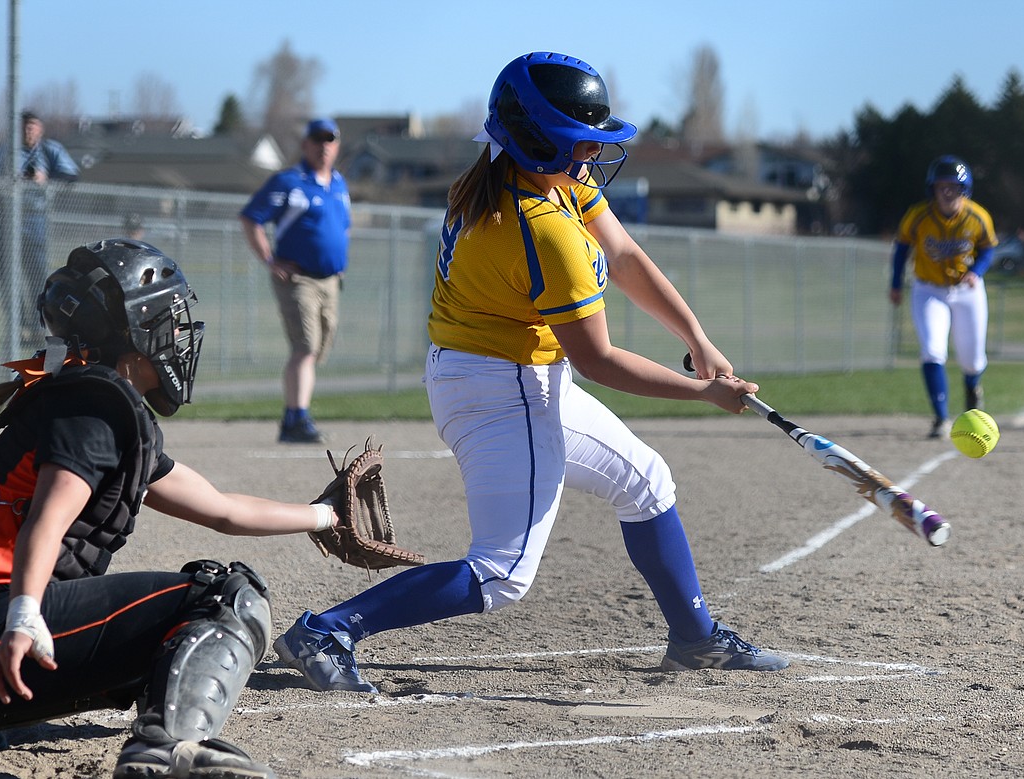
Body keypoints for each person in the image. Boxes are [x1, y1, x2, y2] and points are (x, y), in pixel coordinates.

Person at [272, 51, 788, 694]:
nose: (593, 157)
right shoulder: (542, 227)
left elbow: (623, 254)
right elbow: (597, 359)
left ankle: (695, 639)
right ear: (542, 142)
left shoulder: (515, 171)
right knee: (502, 572)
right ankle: (328, 629)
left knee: (646, 480)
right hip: (502, 389)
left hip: (497, 375)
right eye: (583, 144)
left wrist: (696, 336)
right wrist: (701, 392)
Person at [0, 239, 347, 779]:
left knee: (172, 640)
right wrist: (23, 616)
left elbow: (223, 510)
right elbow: (48, 520)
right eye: (171, 323)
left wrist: (324, 516)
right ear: (138, 329)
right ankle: (165, 749)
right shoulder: (99, 406)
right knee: (225, 596)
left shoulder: (87, 399)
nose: (179, 337)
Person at [239, 118, 350, 444]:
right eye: (317, 139)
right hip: (298, 278)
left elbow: (342, 228)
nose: (323, 146)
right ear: (305, 145)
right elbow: (251, 218)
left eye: (330, 140)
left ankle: (296, 416)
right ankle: (295, 418)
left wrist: (339, 263)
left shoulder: (339, 184)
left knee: (318, 349)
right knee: (305, 347)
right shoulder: (289, 182)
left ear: (337, 146)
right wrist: (270, 260)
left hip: (330, 280)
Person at [890, 155, 997, 438]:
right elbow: (901, 248)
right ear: (932, 189)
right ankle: (941, 418)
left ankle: (973, 387)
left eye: (954, 186)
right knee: (932, 350)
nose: (947, 192)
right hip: (928, 289)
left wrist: (977, 270)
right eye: (941, 186)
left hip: (967, 290)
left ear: (965, 189)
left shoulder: (977, 216)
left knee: (973, 360)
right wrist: (895, 284)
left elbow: (988, 248)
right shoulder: (918, 215)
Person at [0, 111, 80, 344]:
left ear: (40, 129)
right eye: (24, 127)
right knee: (8, 277)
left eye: (33, 127)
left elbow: (72, 175)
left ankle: (38, 326)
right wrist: (12, 180)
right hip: (6, 220)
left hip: (34, 219)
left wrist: (45, 178)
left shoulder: (49, 150)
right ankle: (18, 327)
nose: (28, 131)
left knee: (37, 275)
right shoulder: (5, 151)